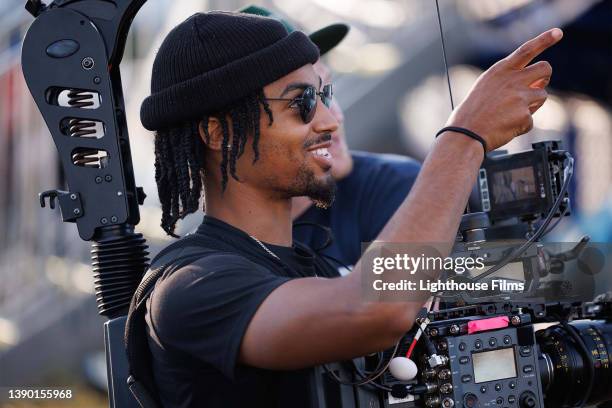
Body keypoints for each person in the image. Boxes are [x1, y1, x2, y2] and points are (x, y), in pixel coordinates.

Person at [139, 10, 560, 407]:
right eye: (302, 102)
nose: (328, 120)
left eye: (326, 95)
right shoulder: (189, 288)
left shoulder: (312, 267)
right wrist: (464, 137)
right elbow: (376, 308)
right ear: (218, 133)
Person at [240, 5, 422, 269]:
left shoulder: (392, 184)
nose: (334, 118)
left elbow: (474, 295)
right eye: (303, 101)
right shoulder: (210, 262)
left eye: (327, 92)